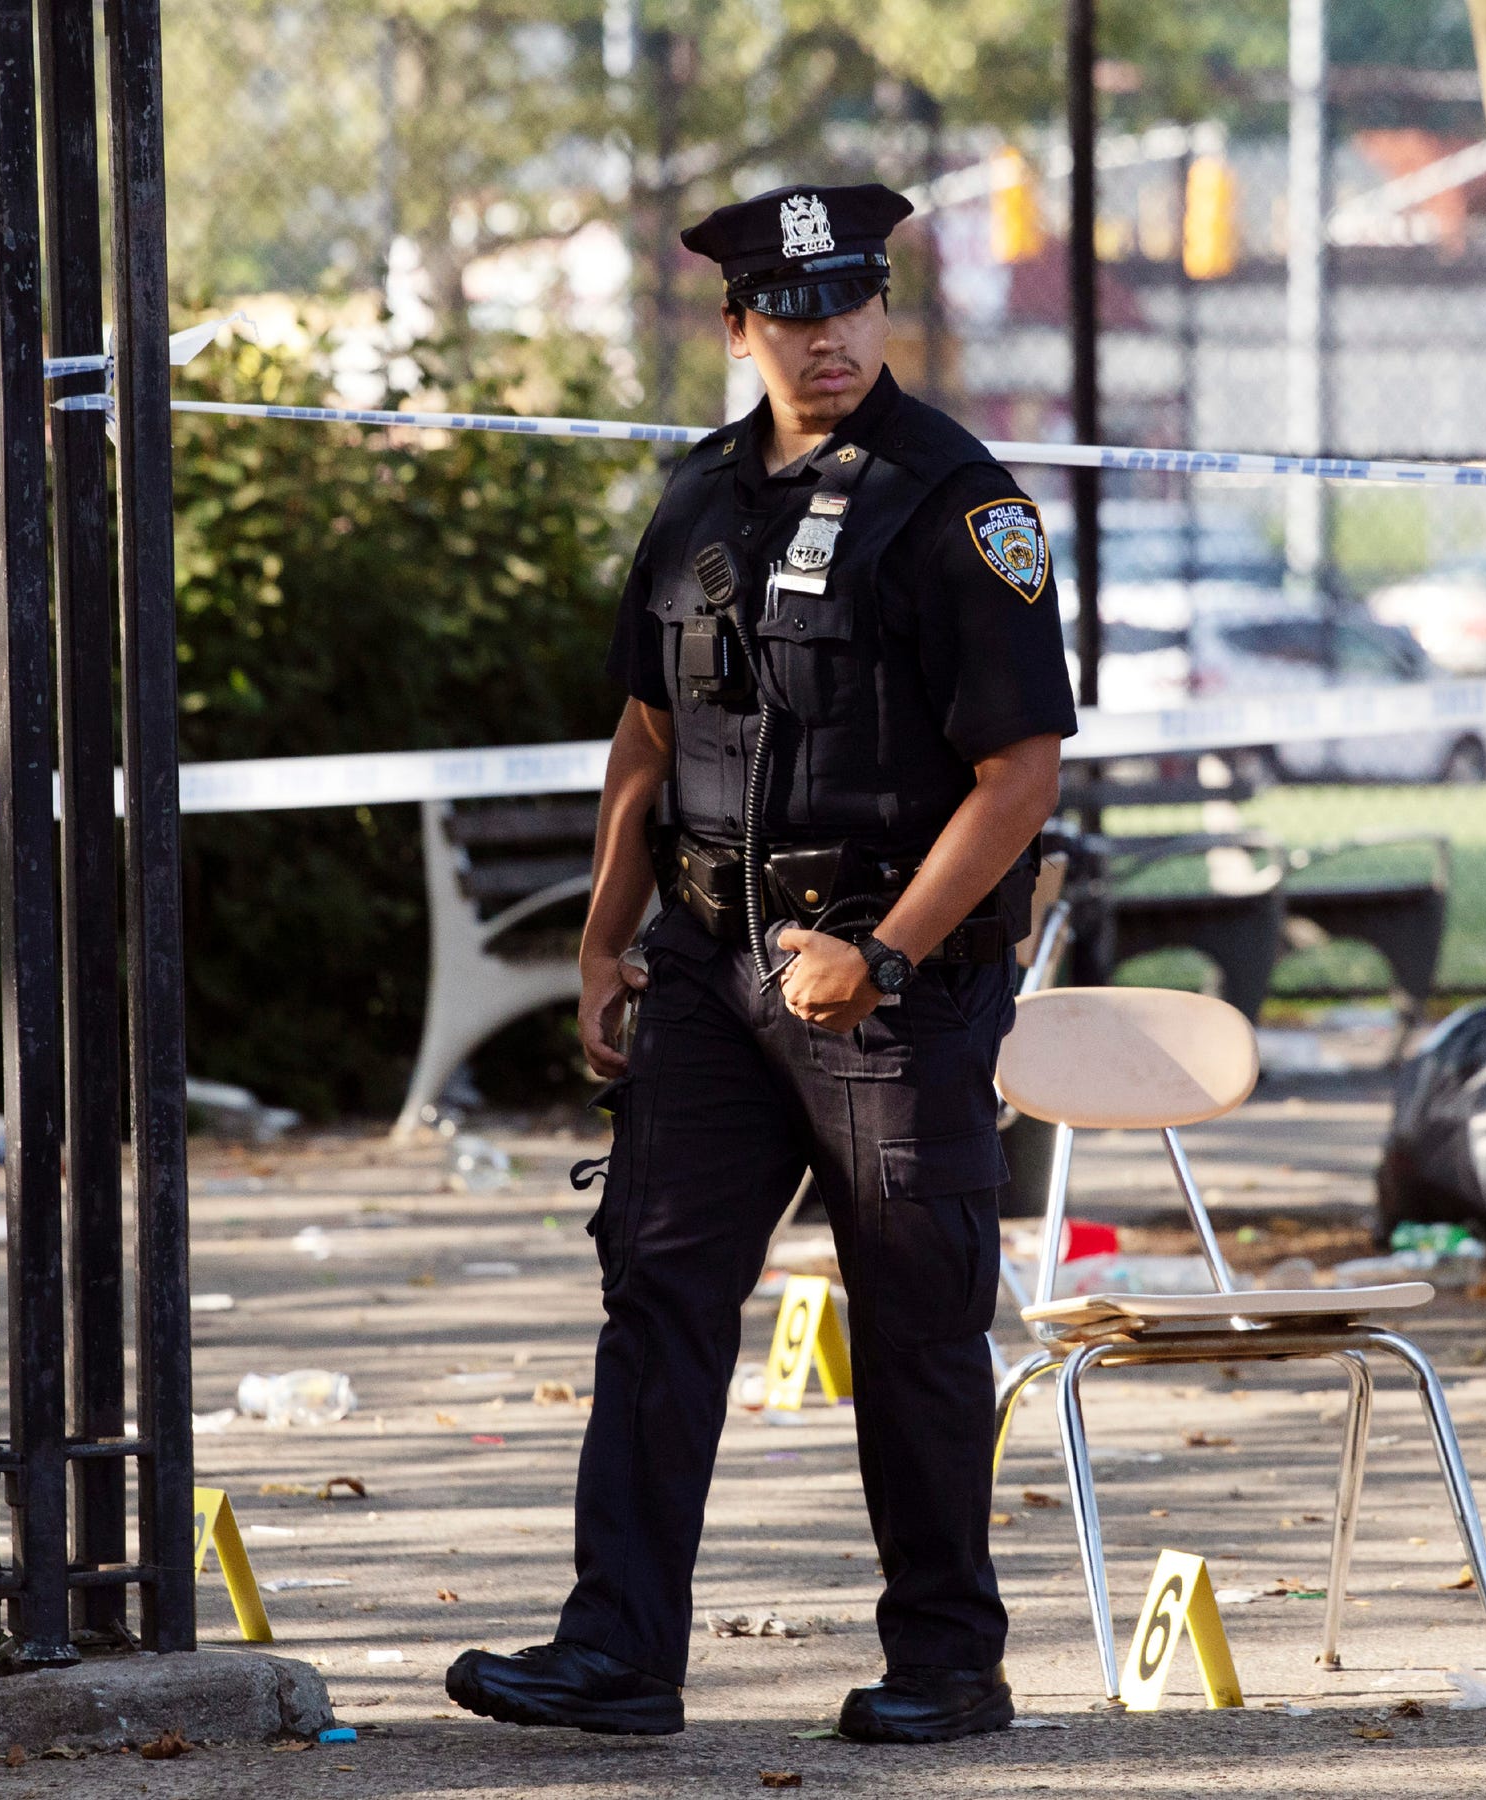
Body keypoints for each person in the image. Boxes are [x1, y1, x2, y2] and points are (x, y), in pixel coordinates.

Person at [443, 183, 1074, 1744]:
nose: (828, 333)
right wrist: (603, 944)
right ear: (741, 328)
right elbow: (647, 737)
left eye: (852, 300)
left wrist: (884, 952)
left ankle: (947, 1662)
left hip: (883, 983)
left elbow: (1021, 776)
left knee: (916, 1318)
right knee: (657, 1292)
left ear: (883, 308)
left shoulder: (957, 504)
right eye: (793, 311)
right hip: (711, 974)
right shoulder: (699, 496)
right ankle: (618, 1655)